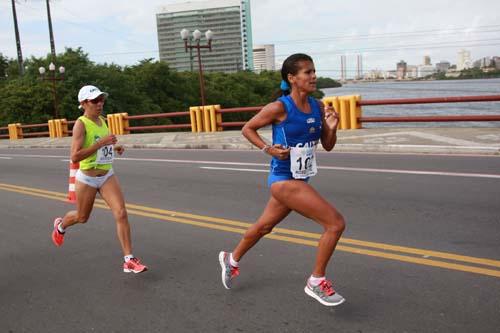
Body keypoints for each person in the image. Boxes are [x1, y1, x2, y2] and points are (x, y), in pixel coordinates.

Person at [218, 54, 345, 306]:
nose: (313, 76)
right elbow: (247, 129)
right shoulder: (280, 107)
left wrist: (331, 127)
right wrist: (269, 149)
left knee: (264, 227)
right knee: (335, 224)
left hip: (300, 179)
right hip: (283, 180)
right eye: (307, 72)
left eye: (314, 71)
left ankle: (231, 260)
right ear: (292, 78)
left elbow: (328, 146)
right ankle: (316, 281)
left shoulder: (318, 107)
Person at [51, 85, 147, 274]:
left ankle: (129, 259)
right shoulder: (81, 124)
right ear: (84, 103)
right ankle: (60, 225)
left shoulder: (103, 121)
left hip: (106, 175)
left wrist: (115, 147)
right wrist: (100, 144)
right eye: (95, 100)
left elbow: (105, 145)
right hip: (87, 178)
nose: (100, 103)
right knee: (82, 217)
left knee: (121, 213)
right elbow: (75, 156)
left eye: (101, 99)